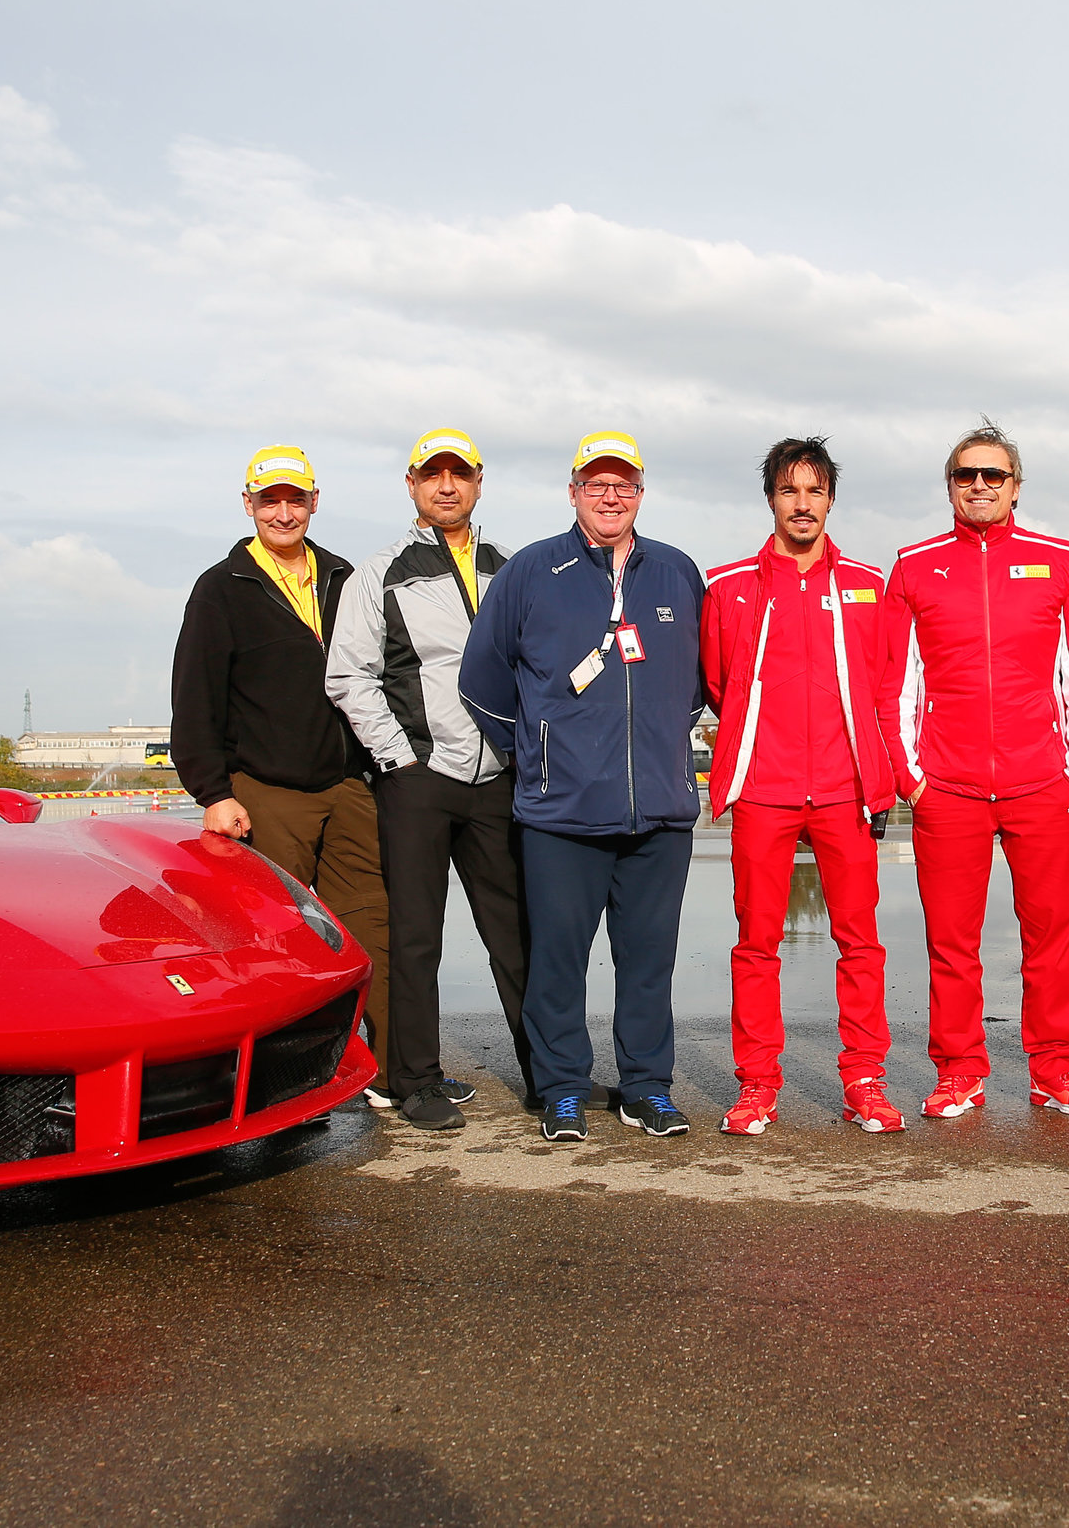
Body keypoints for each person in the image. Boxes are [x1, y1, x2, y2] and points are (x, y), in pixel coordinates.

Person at [460, 431, 706, 1143]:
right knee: (557, 960)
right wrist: (538, 752)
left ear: (640, 492)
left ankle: (645, 1088)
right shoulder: (533, 570)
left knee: (648, 962)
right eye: (596, 483)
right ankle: (563, 1087)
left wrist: (656, 743)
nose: (610, 495)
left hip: (659, 814)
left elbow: (691, 685)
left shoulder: (676, 572)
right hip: (560, 814)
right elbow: (480, 680)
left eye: (623, 483)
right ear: (572, 491)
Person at [878, 424, 1069, 1119]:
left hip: (1042, 786)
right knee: (952, 944)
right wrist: (912, 777)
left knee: (1049, 940)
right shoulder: (915, 565)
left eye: (994, 475)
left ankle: (1055, 1069)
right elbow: (896, 682)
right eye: (966, 475)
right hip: (946, 788)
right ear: (950, 484)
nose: (980, 486)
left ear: (1016, 485)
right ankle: (958, 1071)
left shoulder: (1054, 559)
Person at [326, 428, 533, 1132]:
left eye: (460, 474)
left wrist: (522, 749)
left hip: (498, 779)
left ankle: (548, 1074)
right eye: (432, 474)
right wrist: (398, 755)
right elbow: (348, 674)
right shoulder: (378, 572)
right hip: (418, 779)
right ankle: (415, 1080)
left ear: (479, 482)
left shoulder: (513, 568)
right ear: (411, 485)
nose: (447, 486)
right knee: (416, 936)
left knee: (515, 932)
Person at [171, 445, 391, 1096]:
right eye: (271, 499)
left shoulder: (345, 577)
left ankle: (386, 1067)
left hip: (348, 785)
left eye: (296, 498)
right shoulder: (221, 588)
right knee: (277, 940)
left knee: (371, 923)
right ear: (249, 504)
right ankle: (283, 1077)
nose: (284, 511)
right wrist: (214, 791)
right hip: (266, 791)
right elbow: (195, 698)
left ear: (315, 502)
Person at [701, 437, 905, 1137]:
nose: (803, 503)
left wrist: (880, 781)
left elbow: (885, 685)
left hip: (846, 790)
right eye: (790, 490)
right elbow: (719, 684)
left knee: (861, 942)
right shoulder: (730, 585)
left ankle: (865, 1081)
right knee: (756, 942)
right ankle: (757, 1083)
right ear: (771, 499)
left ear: (830, 500)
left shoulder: (868, 584)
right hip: (765, 789)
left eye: (815, 491)